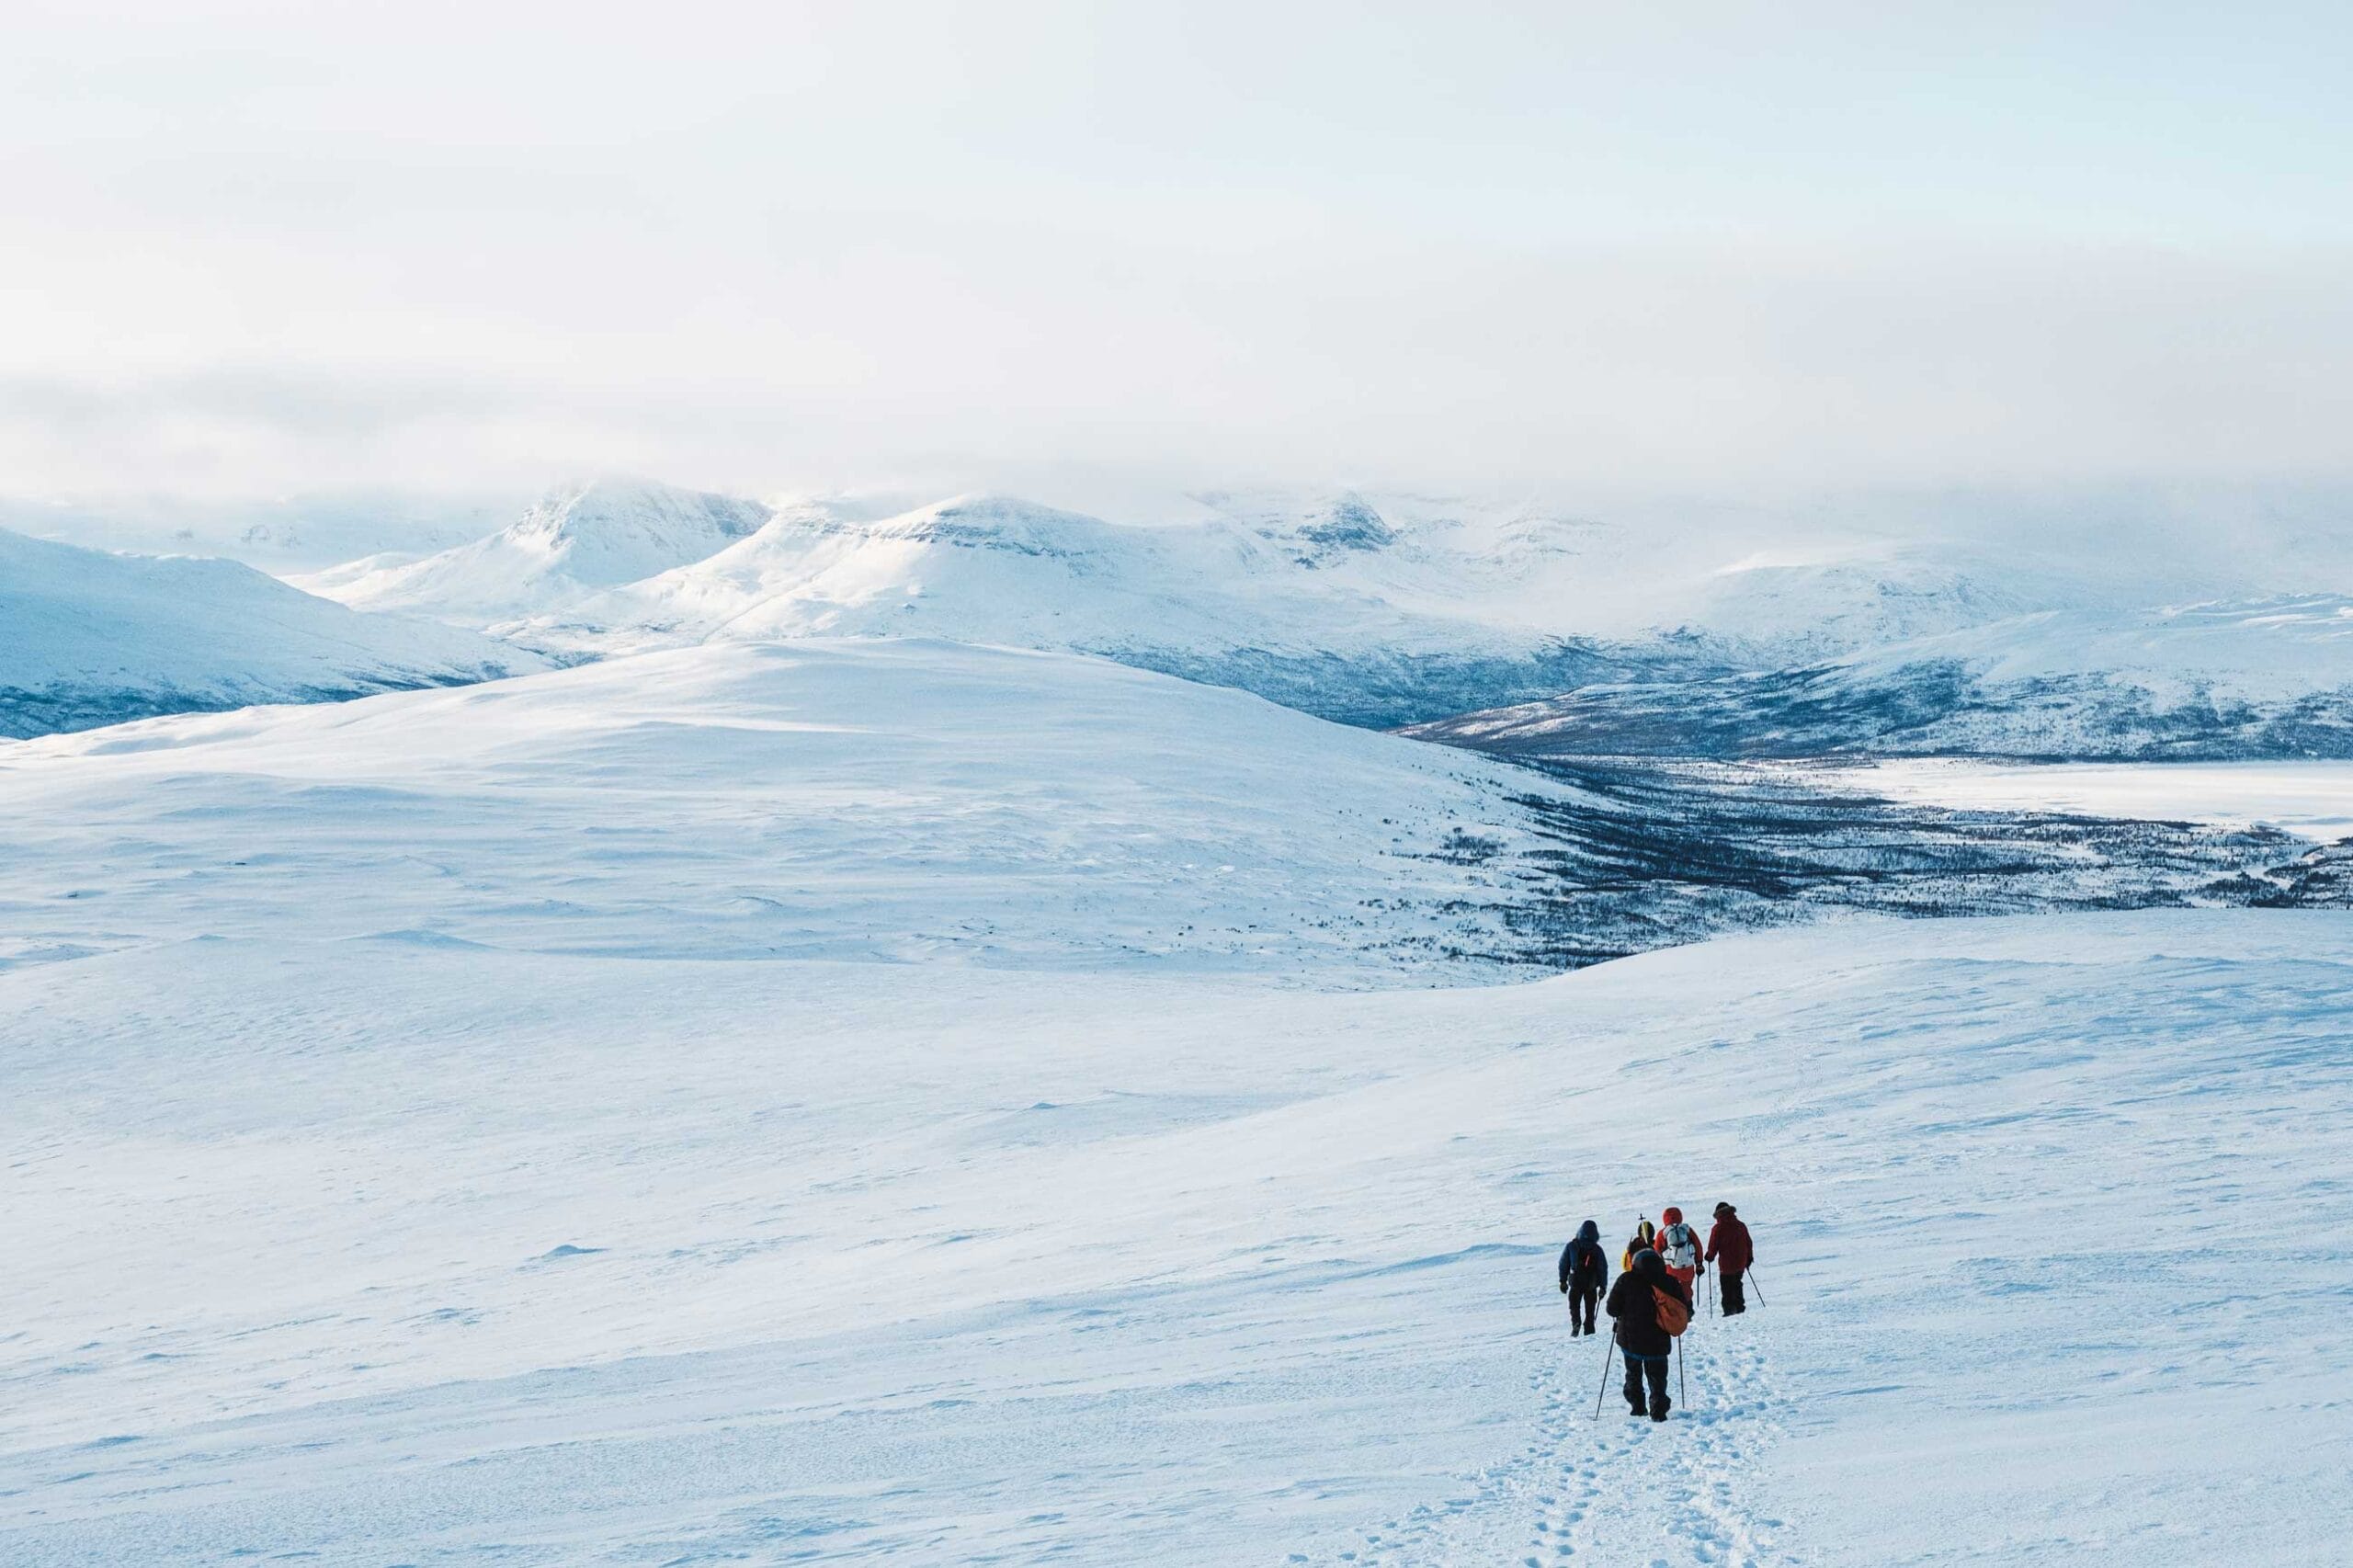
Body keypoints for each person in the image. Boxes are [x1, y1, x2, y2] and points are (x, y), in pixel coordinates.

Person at [1606, 1247, 1688, 1420]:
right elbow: (1684, 1308)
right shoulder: (1669, 1281)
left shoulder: (1625, 1280)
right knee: (1658, 1377)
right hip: (1658, 1342)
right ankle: (1658, 1411)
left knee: (1633, 1373)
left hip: (1630, 1340)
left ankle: (1637, 1407)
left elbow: (1612, 1309)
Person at [1557, 1219, 1608, 1335]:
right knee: (1590, 1308)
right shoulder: (1597, 1249)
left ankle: (1576, 1322)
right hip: (1591, 1284)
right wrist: (1603, 1287)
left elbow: (1563, 1264)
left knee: (1574, 1305)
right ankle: (1589, 1327)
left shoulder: (1572, 1246)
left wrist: (1563, 1281)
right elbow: (1603, 1268)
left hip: (1575, 1281)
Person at [1705, 1200, 1754, 1316]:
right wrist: (1749, 1258)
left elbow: (1713, 1246)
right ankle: (1740, 1307)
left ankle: (1729, 1310)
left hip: (1726, 1264)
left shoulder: (1718, 1228)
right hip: (1741, 1262)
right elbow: (1748, 1242)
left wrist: (1709, 1256)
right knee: (1737, 1283)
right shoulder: (1741, 1225)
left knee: (1727, 1287)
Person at [1654, 1206, 1704, 1304]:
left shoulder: (1662, 1233)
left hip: (1670, 1271)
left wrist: (1659, 1269)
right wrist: (1699, 1263)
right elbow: (1698, 1246)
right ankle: (1688, 1309)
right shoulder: (1687, 1230)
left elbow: (1657, 1252)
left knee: (1673, 1293)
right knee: (1686, 1291)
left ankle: (1676, 1310)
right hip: (1688, 1268)